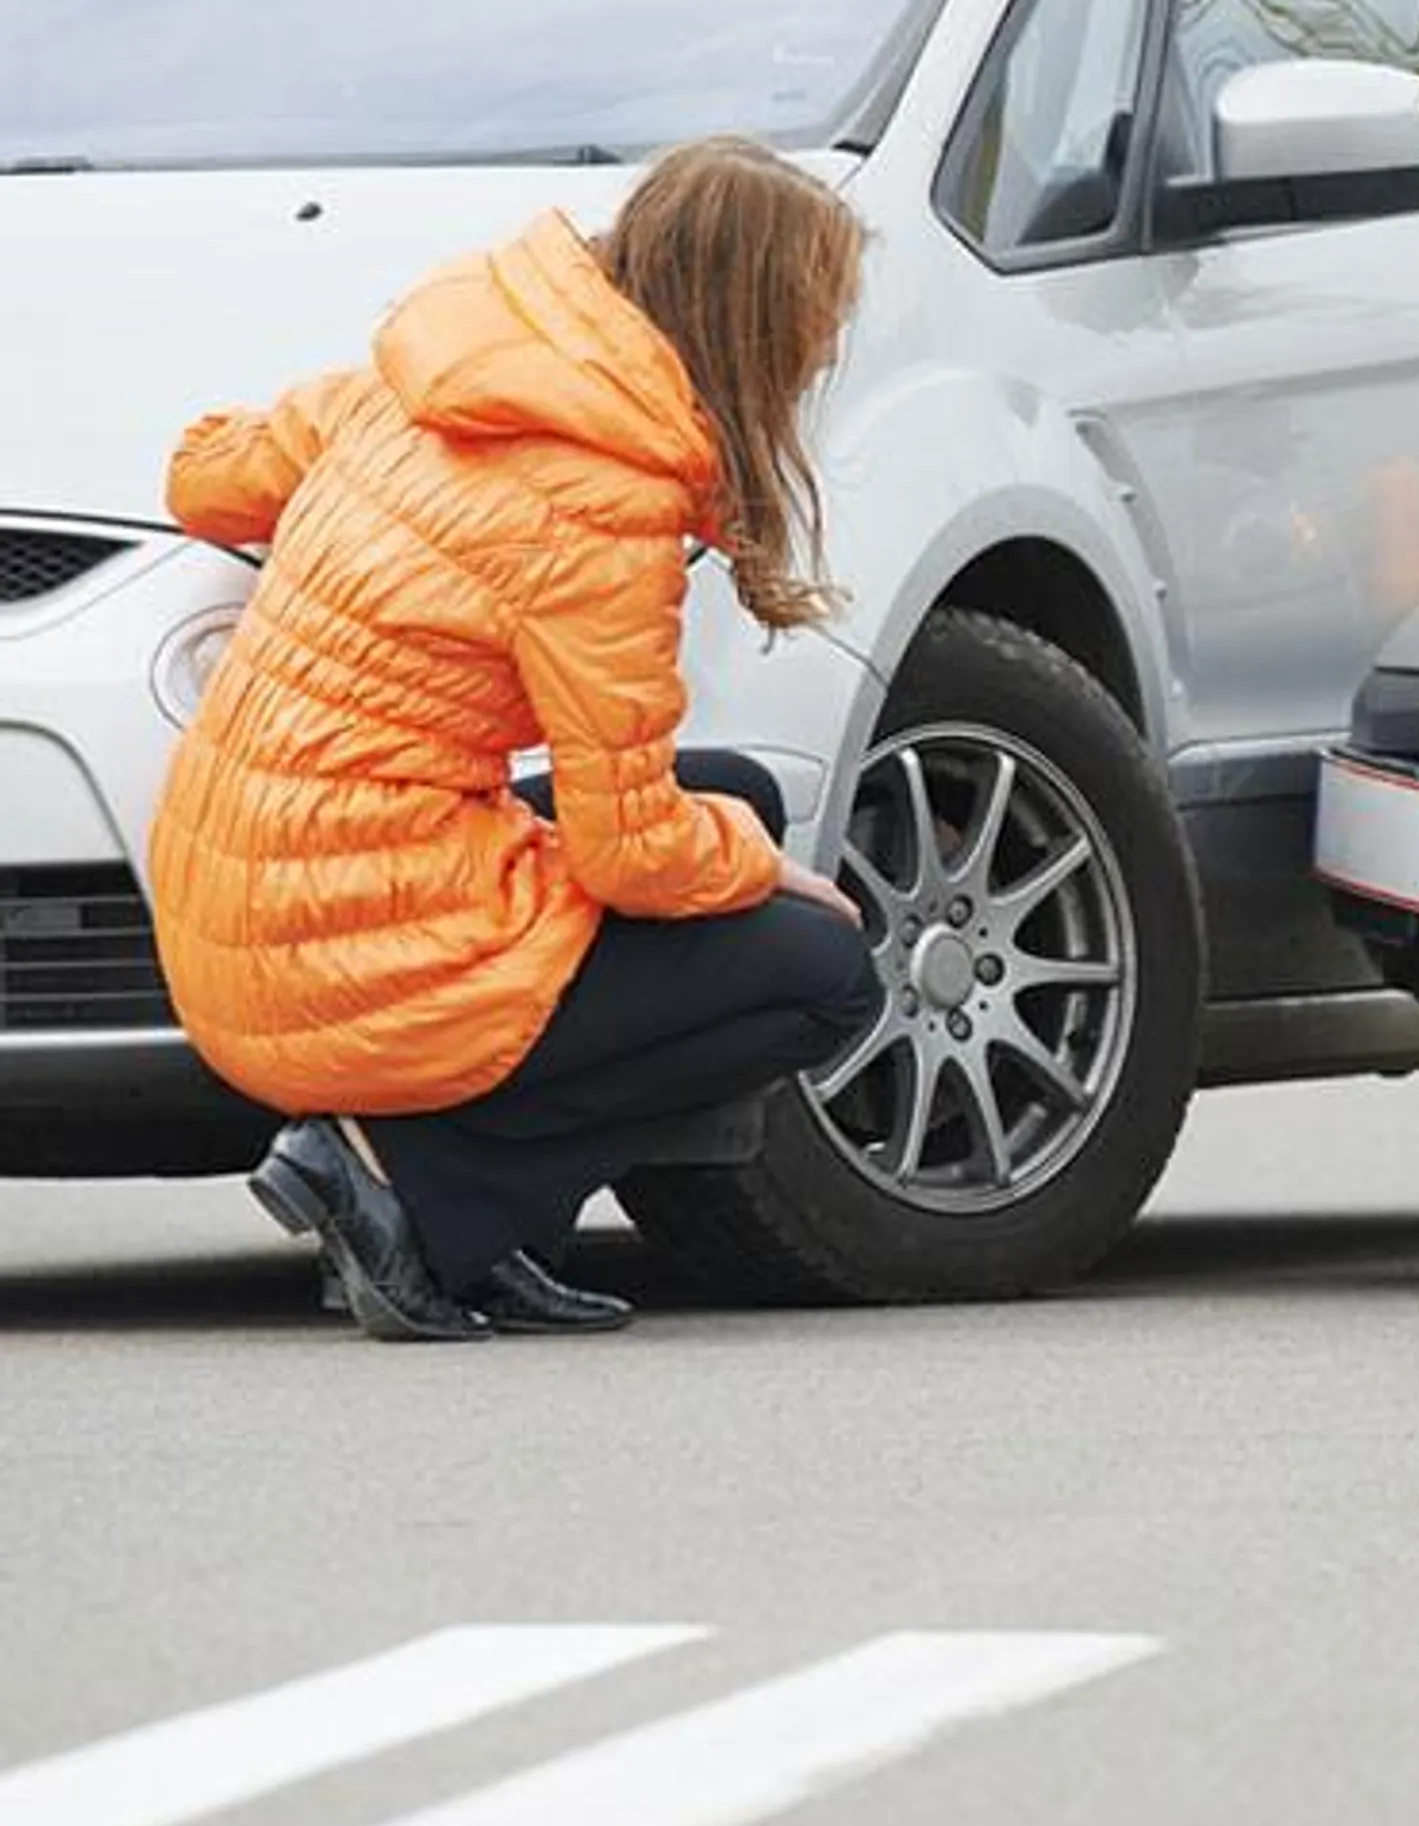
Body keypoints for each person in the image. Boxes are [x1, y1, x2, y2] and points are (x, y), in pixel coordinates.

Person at [147, 137, 885, 1342]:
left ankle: (478, 1227)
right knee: (819, 970)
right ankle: (414, 1189)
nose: (821, 355)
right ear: (754, 325)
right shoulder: (605, 500)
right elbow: (630, 850)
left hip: (238, 882)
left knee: (734, 786)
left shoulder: (445, 369)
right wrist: (762, 863)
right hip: (338, 942)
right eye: (818, 324)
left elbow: (203, 477)